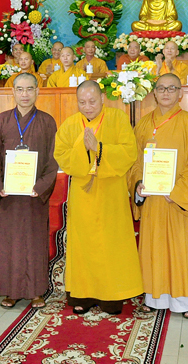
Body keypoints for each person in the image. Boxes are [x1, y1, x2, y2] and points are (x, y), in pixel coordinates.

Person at [54, 80, 143, 314]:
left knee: (111, 243)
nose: (87, 107)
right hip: (83, 192)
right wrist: (82, 148)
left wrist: (99, 147)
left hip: (111, 191)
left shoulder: (118, 118)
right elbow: (61, 154)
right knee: (83, 244)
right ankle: (82, 294)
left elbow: (129, 151)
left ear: (103, 98)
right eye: (82, 102)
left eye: (92, 101)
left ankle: (111, 295)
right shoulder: (70, 124)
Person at [128, 74, 188, 318]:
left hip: (177, 201)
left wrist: (179, 192)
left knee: (180, 250)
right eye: (161, 88)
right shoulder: (143, 124)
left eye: (171, 88)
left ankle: (184, 302)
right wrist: (138, 184)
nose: (165, 93)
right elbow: (135, 161)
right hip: (153, 200)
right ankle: (155, 298)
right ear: (154, 93)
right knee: (154, 249)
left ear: (180, 93)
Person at [0, 73, 59, 310]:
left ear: (37, 91)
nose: (25, 94)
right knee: (10, 243)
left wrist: (40, 187)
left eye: (29, 89)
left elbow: (52, 160)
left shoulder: (47, 121)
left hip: (34, 196)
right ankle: (11, 291)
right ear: (13, 92)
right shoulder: (2, 120)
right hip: (9, 195)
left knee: (35, 242)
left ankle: (36, 291)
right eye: (20, 89)